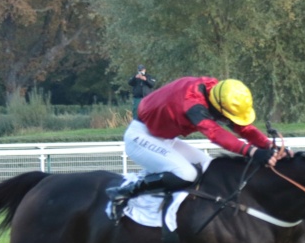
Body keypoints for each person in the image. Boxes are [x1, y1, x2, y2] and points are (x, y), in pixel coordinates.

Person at [106, 77, 283, 223]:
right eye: (225, 116)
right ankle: (125, 191)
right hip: (140, 137)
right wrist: (252, 151)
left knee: (209, 167)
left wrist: (268, 146)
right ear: (217, 107)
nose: (227, 120)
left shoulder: (218, 92)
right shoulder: (193, 104)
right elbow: (215, 134)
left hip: (164, 137)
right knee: (186, 174)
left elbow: (243, 128)